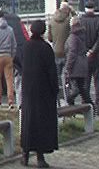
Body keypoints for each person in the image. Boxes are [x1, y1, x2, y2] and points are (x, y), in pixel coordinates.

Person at [20, 20, 58, 168]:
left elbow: (20, 63)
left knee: (28, 122)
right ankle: (40, 157)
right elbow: (51, 71)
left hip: (28, 91)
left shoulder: (26, 47)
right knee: (40, 124)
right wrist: (55, 89)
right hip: (43, 92)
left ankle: (25, 154)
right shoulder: (45, 48)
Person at [79, 1, 99, 115]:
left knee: (86, 83)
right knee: (98, 83)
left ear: (85, 8)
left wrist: (86, 51)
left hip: (84, 57)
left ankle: (85, 106)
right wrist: (93, 50)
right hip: (97, 57)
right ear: (94, 8)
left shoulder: (81, 21)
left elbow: (79, 39)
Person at [48, 0, 73, 102]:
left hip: (55, 52)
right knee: (68, 76)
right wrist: (72, 11)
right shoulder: (68, 21)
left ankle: (57, 98)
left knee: (57, 77)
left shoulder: (52, 20)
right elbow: (76, 25)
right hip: (66, 52)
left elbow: (49, 38)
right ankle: (69, 98)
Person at [0, 10, 17, 109]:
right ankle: (10, 100)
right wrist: (12, 55)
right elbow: (14, 44)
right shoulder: (10, 29)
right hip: (8, 56)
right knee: (9, 79)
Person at [64, 16, 91, 106]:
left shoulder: (73, 36)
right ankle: (90, 107)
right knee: (82, 89)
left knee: (76, 88)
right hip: (83, 64)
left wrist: (68, 67)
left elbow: (72, 53)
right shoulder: (83, 34)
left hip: (75, 66)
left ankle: (69, 102)